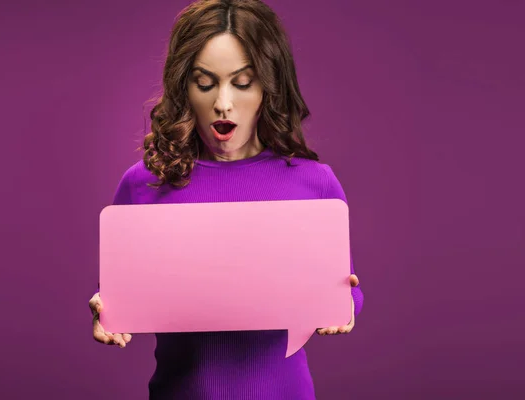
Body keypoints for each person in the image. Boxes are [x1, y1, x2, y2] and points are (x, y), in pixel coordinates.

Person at [88, 0, 364, 398]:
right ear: (184, 86)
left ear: (269, 83)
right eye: (205, 83)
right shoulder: (143, 184)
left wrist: (345, 304)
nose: (222, 102)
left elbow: (348, 288)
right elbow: (113, 295)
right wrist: (104, 313)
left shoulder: (314, 184)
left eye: (242, 82)